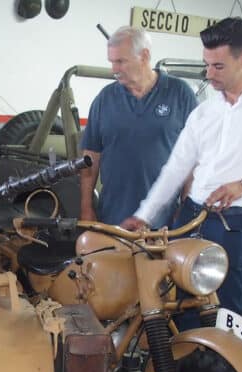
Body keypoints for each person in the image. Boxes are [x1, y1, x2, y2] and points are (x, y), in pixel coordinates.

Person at [121, 17, 242, 317]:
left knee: (225, 312)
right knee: (179, 307)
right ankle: (183, 364)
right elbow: (175, 170)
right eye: (206, 65)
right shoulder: (204, 113)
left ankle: (221, 365)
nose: (209, 74)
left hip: (229, 226)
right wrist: (143, 215)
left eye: (218, 66)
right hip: (189, 219)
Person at [79, 26, 197, 226]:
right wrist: (86, 207)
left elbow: (194, 159)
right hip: (111, 222)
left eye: (120, 61)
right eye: (112, 62)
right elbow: (90, 157)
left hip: (163, 226)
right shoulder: (105, 99)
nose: (114, 69)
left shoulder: (180, 95)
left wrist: (187, 209)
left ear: (144, 56)